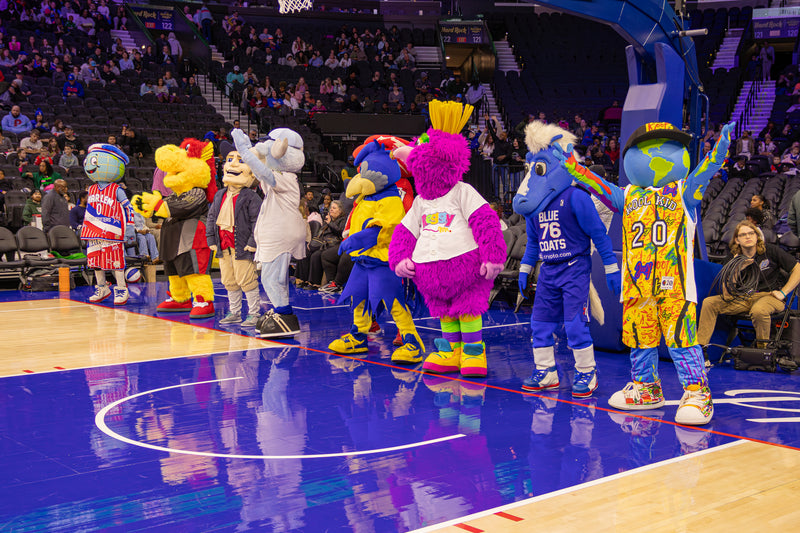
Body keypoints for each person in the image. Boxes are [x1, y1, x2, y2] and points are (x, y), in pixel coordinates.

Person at [698, 220, 800, 348]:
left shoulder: (771, 251)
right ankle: (701, 349)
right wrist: (736, 269)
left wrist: (783, 292)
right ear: (737, 240)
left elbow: (797, 269)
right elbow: (727, 294)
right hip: (742, 298)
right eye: (743, 235)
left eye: (751, 233)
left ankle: (762, 352)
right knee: (709, 303)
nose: (748, 237)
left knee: (759, 310)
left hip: (769, 296)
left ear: (757, 236)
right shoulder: (732, 258)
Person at [296, 200, 346, 289]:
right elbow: (320, 232)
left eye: (334, 208)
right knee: (305, 252)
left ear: (340, 211)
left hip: (333, 245)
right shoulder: (327, 219)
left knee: (316, 255)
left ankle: (315, 283)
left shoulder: (343, 220)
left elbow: (340, 233)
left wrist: (330, 223)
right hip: (323, 243)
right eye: (331, 208)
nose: (331, 210)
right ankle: (303, 279)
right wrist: (312, 242)